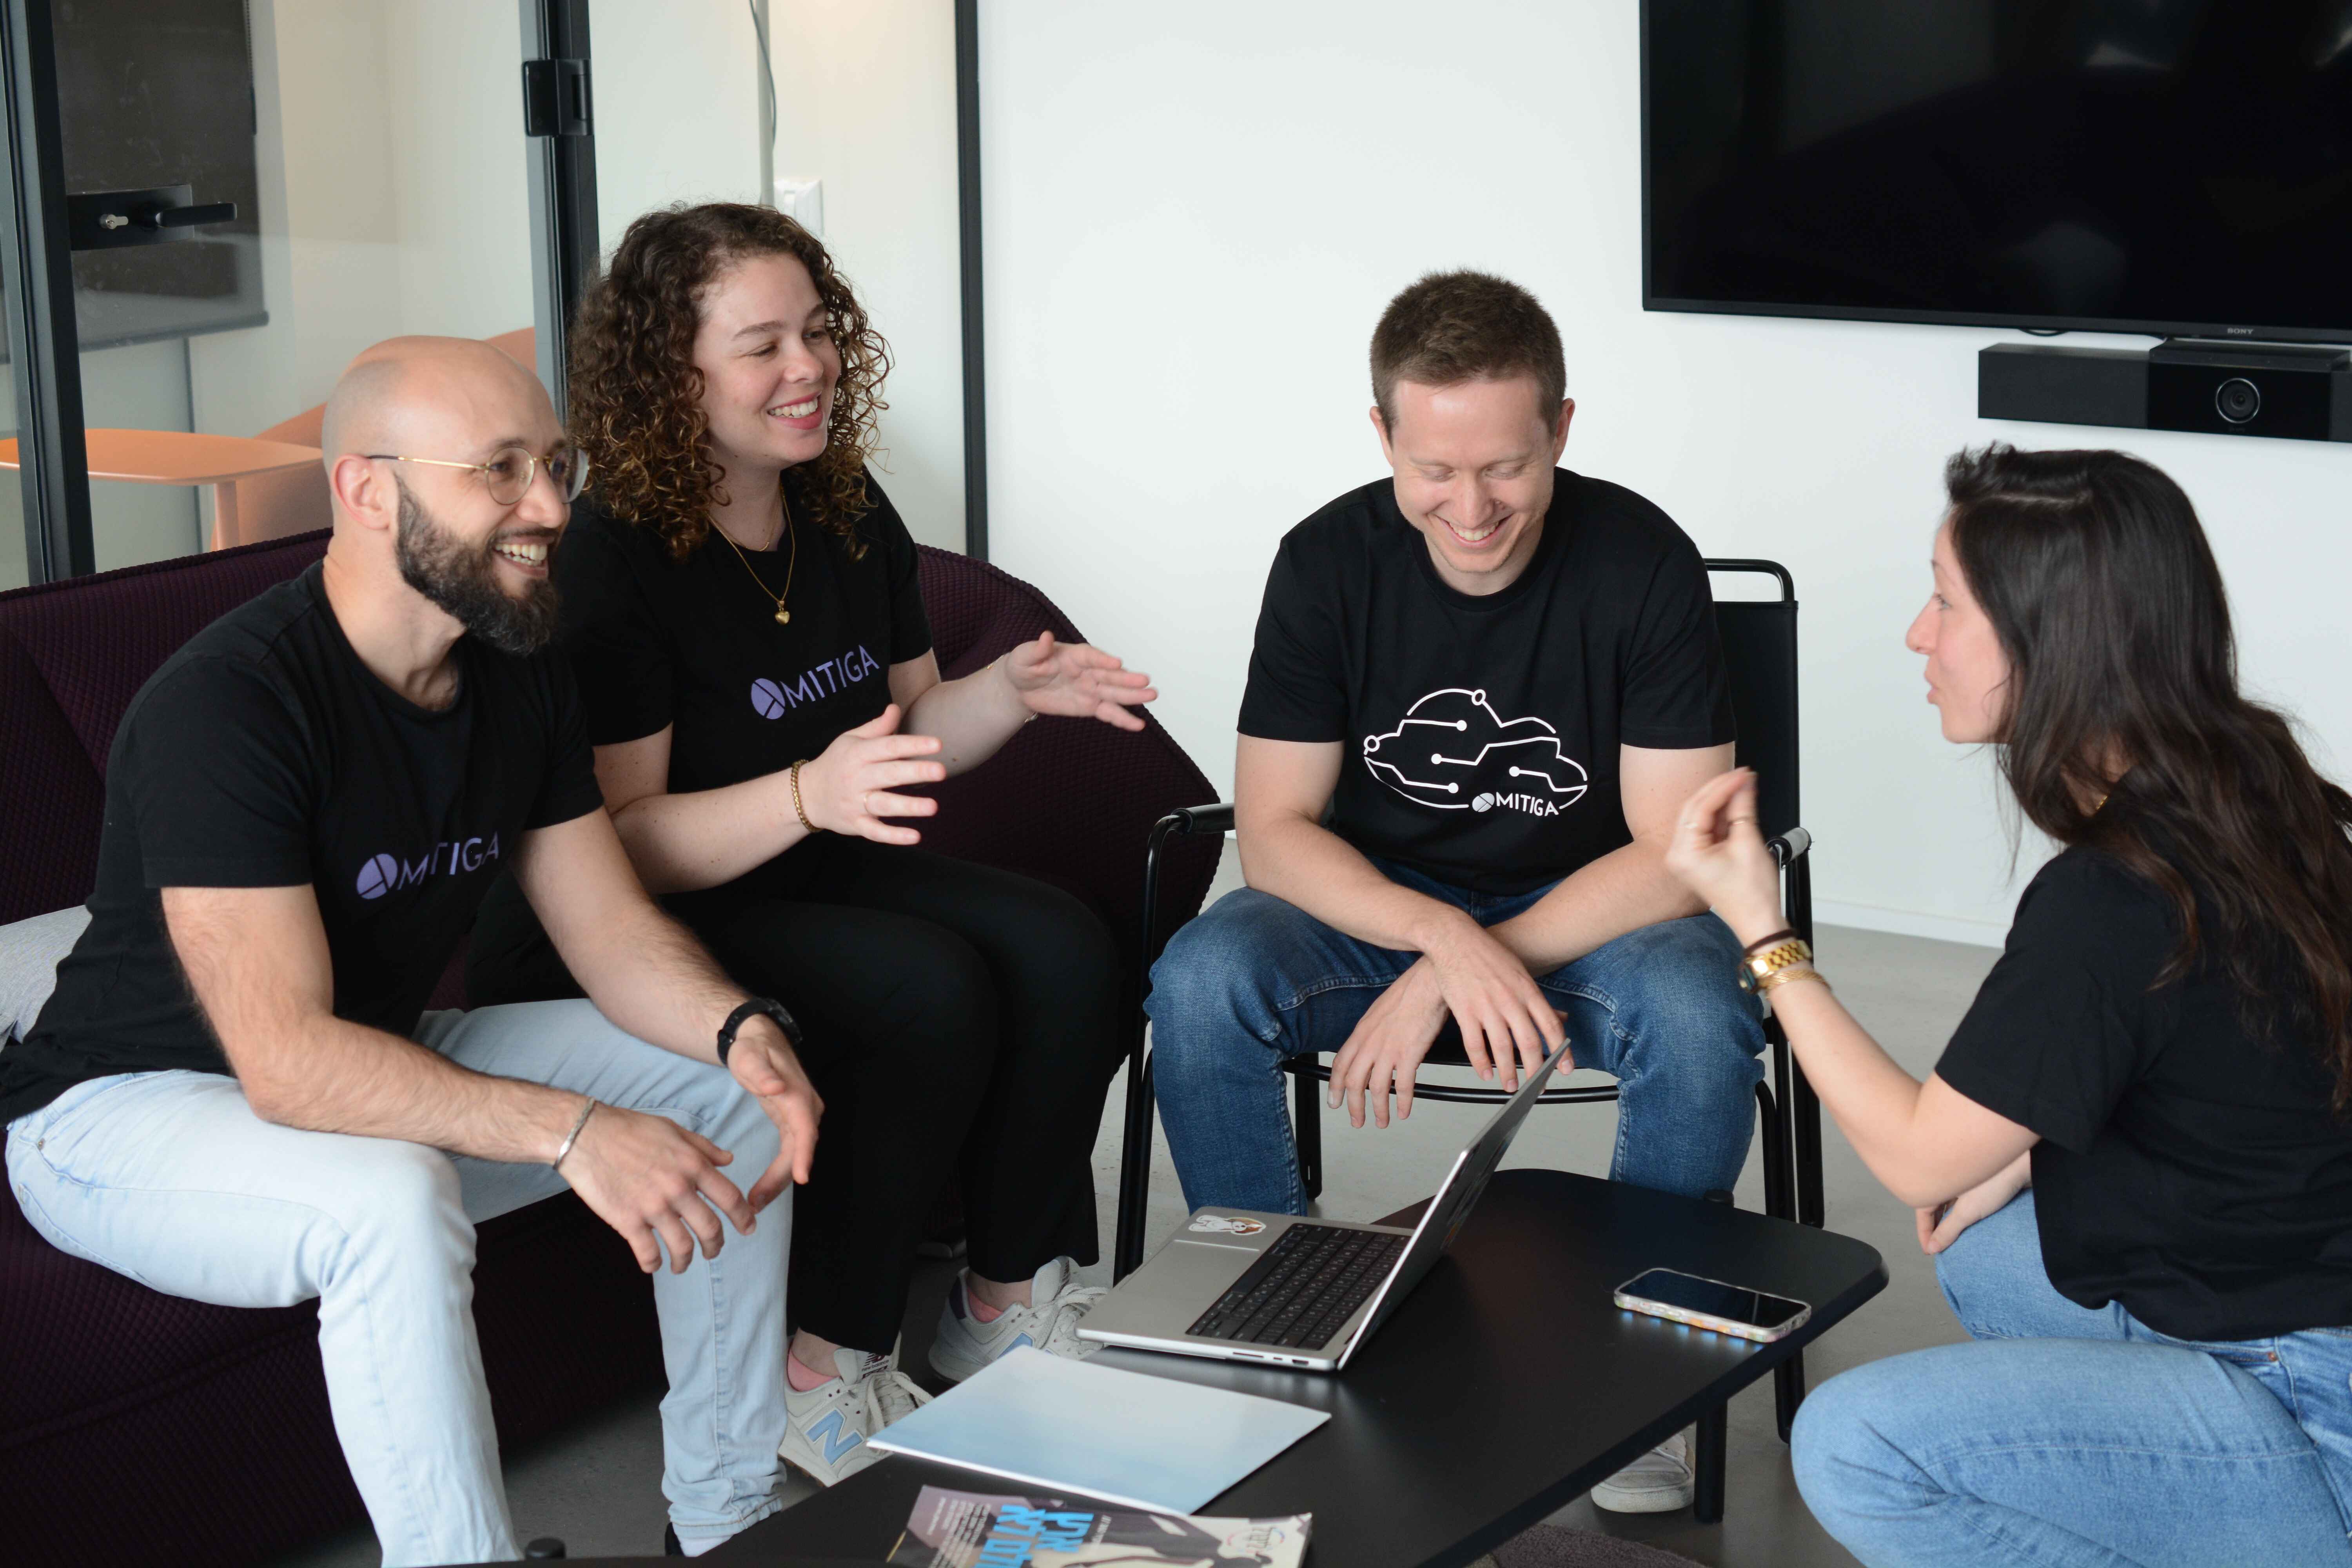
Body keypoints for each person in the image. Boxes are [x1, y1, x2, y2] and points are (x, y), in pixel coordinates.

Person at [0, 338, 825, 1564]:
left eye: (555, 464)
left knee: (733, 1093)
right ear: (369, 490)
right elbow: (285, 1065)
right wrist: (573, 1131)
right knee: (390, 1200)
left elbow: (607, 930)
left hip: (375, 1052)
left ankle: (724, 1516)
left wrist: (740, 1028)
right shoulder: (228, 706)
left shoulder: (519, 672)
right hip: (128, 1108)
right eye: (499, 471)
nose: (550, 507)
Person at [466, 202, 1151, 1485]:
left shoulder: (837, 503)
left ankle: (999, 1307)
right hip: (635, 920)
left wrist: (1010, 693)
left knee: (1064, 942)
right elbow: (616, 849)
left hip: (797, 863)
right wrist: (803, 796)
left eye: (820, 331)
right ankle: (821, 1367)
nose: (810, 367)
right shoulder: (616, 562)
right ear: (675, 376)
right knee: (926, 989)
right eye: (763, 344)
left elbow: (909, 722)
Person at [1142, 270, 1765, 1514]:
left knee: (1703, 1017)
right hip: (1375, 907)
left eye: (1507, 469)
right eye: (1433, 469)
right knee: (1201, 977)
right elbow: (1272, 834)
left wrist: (1486, 954)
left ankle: (1632, 1381)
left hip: (1596, 911)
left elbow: (1673, 852)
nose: (1471, 508)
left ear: (1563, 433)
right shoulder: (1325, 562)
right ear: (1383, 436)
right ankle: (1267, 1326)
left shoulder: (1642, 560)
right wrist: (1436, 937)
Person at [1665, 445, 2352, 1567]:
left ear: (2052, 639)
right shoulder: (2255, 780)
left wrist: (1762, 929)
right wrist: (2023, 1152)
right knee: (1995, 1252)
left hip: (2316, 1408)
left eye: (1945, 601)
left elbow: (1915, 1160)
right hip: (2307, 1294)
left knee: (1855, 1444)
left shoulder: (2113, 895)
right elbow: (2242, 1056)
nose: (1917, 636)